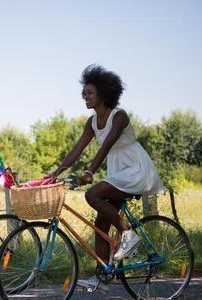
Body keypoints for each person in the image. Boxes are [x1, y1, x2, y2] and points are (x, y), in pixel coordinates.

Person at [49, 65, 164, 291]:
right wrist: (56, 172)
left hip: (135, 169)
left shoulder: (119, 116)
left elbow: (107, 145)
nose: (85, 97)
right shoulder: (91, 122)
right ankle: (102, 276)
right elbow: (77, 149)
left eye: (89, 93)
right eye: (84, 93)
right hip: (118, 171)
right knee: (100, 225)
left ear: (103, 93)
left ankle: (128, 234)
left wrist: (90, 171)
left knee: (93, 193)